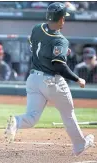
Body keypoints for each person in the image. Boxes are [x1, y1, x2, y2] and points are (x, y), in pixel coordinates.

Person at [5, 2, 94, 156]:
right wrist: (77, 78)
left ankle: (17, 122)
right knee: (68, 114)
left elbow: (36, 45)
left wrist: (57, 52)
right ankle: (79, 145)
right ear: (61, 19)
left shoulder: (36, 28)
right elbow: (59, 66)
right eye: (63, 18)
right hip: (52, 81)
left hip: (33, 79)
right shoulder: (61, 40)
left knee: (32, 118)